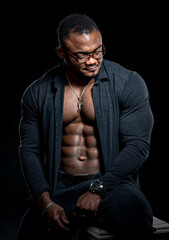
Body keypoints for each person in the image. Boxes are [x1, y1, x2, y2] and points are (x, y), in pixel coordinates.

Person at [17, 14, 154, 239]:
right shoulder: (38, 92)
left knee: (136, 213)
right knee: (29, 232)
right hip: (58, 187)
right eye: (82, 55)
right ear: (62, 53)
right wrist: (45, 202)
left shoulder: (128, 82)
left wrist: (99, 189)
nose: (92, 61)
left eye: (97, 51)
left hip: (112, 185)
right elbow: (29, 149)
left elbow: (138, 145)